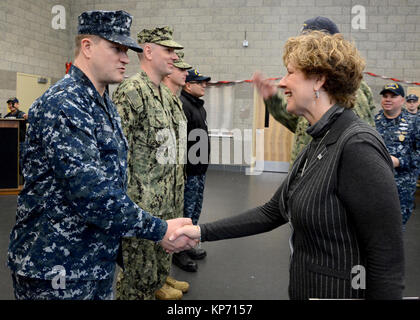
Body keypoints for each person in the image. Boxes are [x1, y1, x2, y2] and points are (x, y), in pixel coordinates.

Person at [170, 31, 405, 300]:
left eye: (290, 72)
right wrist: (200, 232)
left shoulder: (357, 145)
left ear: (319, 80)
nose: (282, 82)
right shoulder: (319, 139)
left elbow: (386, 257)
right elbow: (273, 211)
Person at [7, 10, 195, 301]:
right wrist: (159, 229)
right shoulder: (65, 102)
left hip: (93, 260)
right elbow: (91, 192)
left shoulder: (102, 100)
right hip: (57, 265)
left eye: (126, 50)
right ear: (87, 47)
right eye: (115, 48)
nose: (124, 57)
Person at [112, 26, 189, 300]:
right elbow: (117, 156)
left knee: (156, 276)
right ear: (148, 51)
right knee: (137, 283)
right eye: (168, 50)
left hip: (167, 208)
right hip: (141, 210)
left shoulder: (167, 96)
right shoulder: (131, 92)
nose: (174, 57)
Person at [253, 16, 376, 165]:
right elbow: (302, 127)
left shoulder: (352, 95)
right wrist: (273, 100)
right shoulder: (317, 100)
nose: (282, 82)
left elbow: (358, 152)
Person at [172, 68, 211, 273]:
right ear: (188, 85)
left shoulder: (199, 107)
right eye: (200, 82)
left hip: (200, 169)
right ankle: (179, 252)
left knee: (195, 211)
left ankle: (188, 244)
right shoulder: (183, 106)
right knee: (185, 212)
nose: (204, 85)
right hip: (189, 171)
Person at [375, 83, 419, 229]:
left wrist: (400, 161)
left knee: (395, 230)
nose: (388, 99)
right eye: (385, 96)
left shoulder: (414, 123)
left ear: (402, 100)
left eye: (393, 96)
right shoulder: (373, 122)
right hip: (376, 184)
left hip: (402, 188)